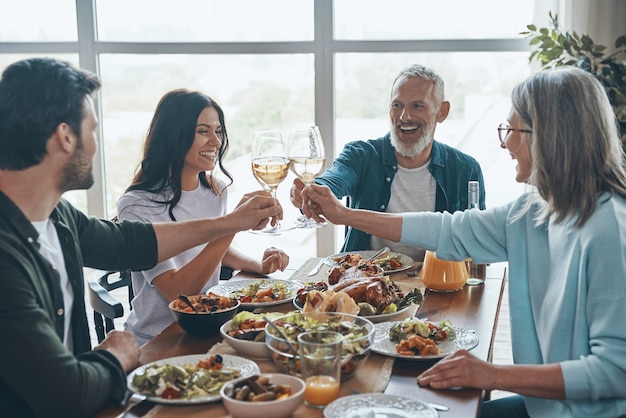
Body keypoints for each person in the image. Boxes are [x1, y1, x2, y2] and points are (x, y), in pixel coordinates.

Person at [301, 66, 626, 417]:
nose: (506, 143)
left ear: (551, 138)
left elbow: (615, 372)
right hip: (545, 407)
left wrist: (493, 374)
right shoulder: (535, 209)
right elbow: (448, 231)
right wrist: (345, 214)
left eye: (513, 129)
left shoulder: (608, 231)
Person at [0, 58, 283, 418]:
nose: (95, 143)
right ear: (65, 137)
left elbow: (132, 242)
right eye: (93, 129)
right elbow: (66, 394)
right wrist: (114, 355)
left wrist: (229, 222)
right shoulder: (6, 257)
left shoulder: (58, 218)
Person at [117, 89, 289, 345]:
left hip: (210, 326)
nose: (216, 142)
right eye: (203, 131)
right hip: (158, 339)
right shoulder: (136, 205)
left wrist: (257, 265)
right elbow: (179, 293)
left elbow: (209, 249)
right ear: (174, 135)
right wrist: (233, 224)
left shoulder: (215, 191)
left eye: (218, 131)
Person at [290, 63, 485, 261]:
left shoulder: (465, 170)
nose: (404, 116)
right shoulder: (361, 155)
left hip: (439, 285)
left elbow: (478, 244)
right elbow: (333, 180)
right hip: (363, 281)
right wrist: (311, 193)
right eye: (397, 105)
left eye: (417, 106)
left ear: (442, 112)